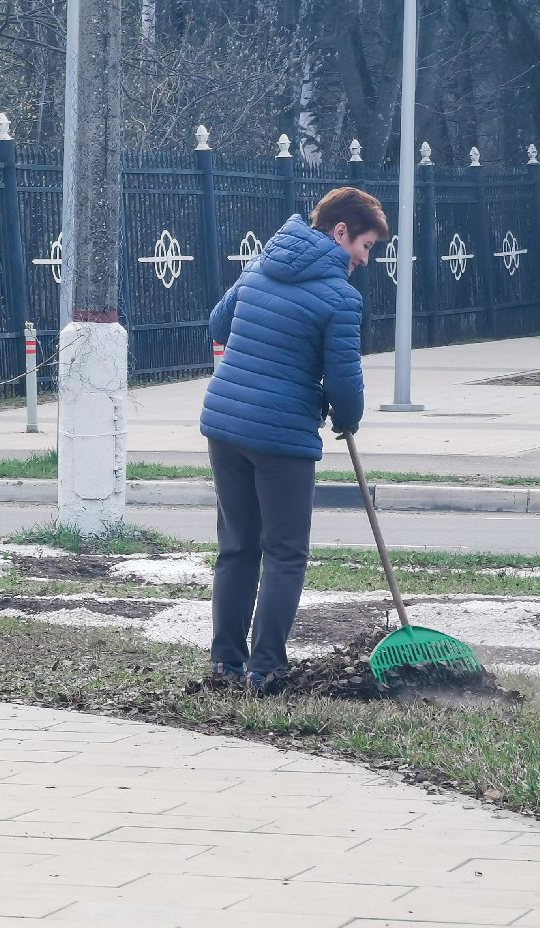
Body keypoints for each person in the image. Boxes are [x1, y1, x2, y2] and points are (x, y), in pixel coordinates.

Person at [200, 187, 388, 693]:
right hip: (280, 436)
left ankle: (225, 665)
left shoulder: (262, 264)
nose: (364, 260)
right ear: (341, 231)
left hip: (224, 424)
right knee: (285, 552)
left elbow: (219, 323)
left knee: (237, 546)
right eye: (366, 247)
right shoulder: (340, 298)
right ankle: (265, 669)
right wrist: (346, 417)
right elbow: (345, 382)